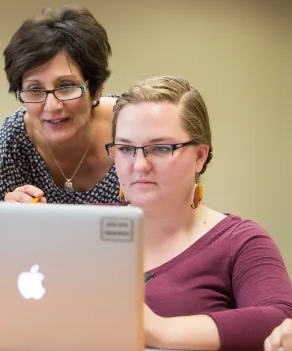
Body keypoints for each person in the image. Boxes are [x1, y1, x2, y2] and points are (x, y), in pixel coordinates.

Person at [107, 75, 292, 351]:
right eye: (125, 149)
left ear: (199, 156)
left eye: (160, 148)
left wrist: (160, 331)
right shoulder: (83, 227)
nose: (139, 165)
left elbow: (281, 319)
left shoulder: (239, 242)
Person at [0, 4, 121, 204]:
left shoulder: (134, 126)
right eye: (35, 89)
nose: (52, 106)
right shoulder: (11, 139)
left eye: (66, 86)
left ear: (96, 89)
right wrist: (5, 218)